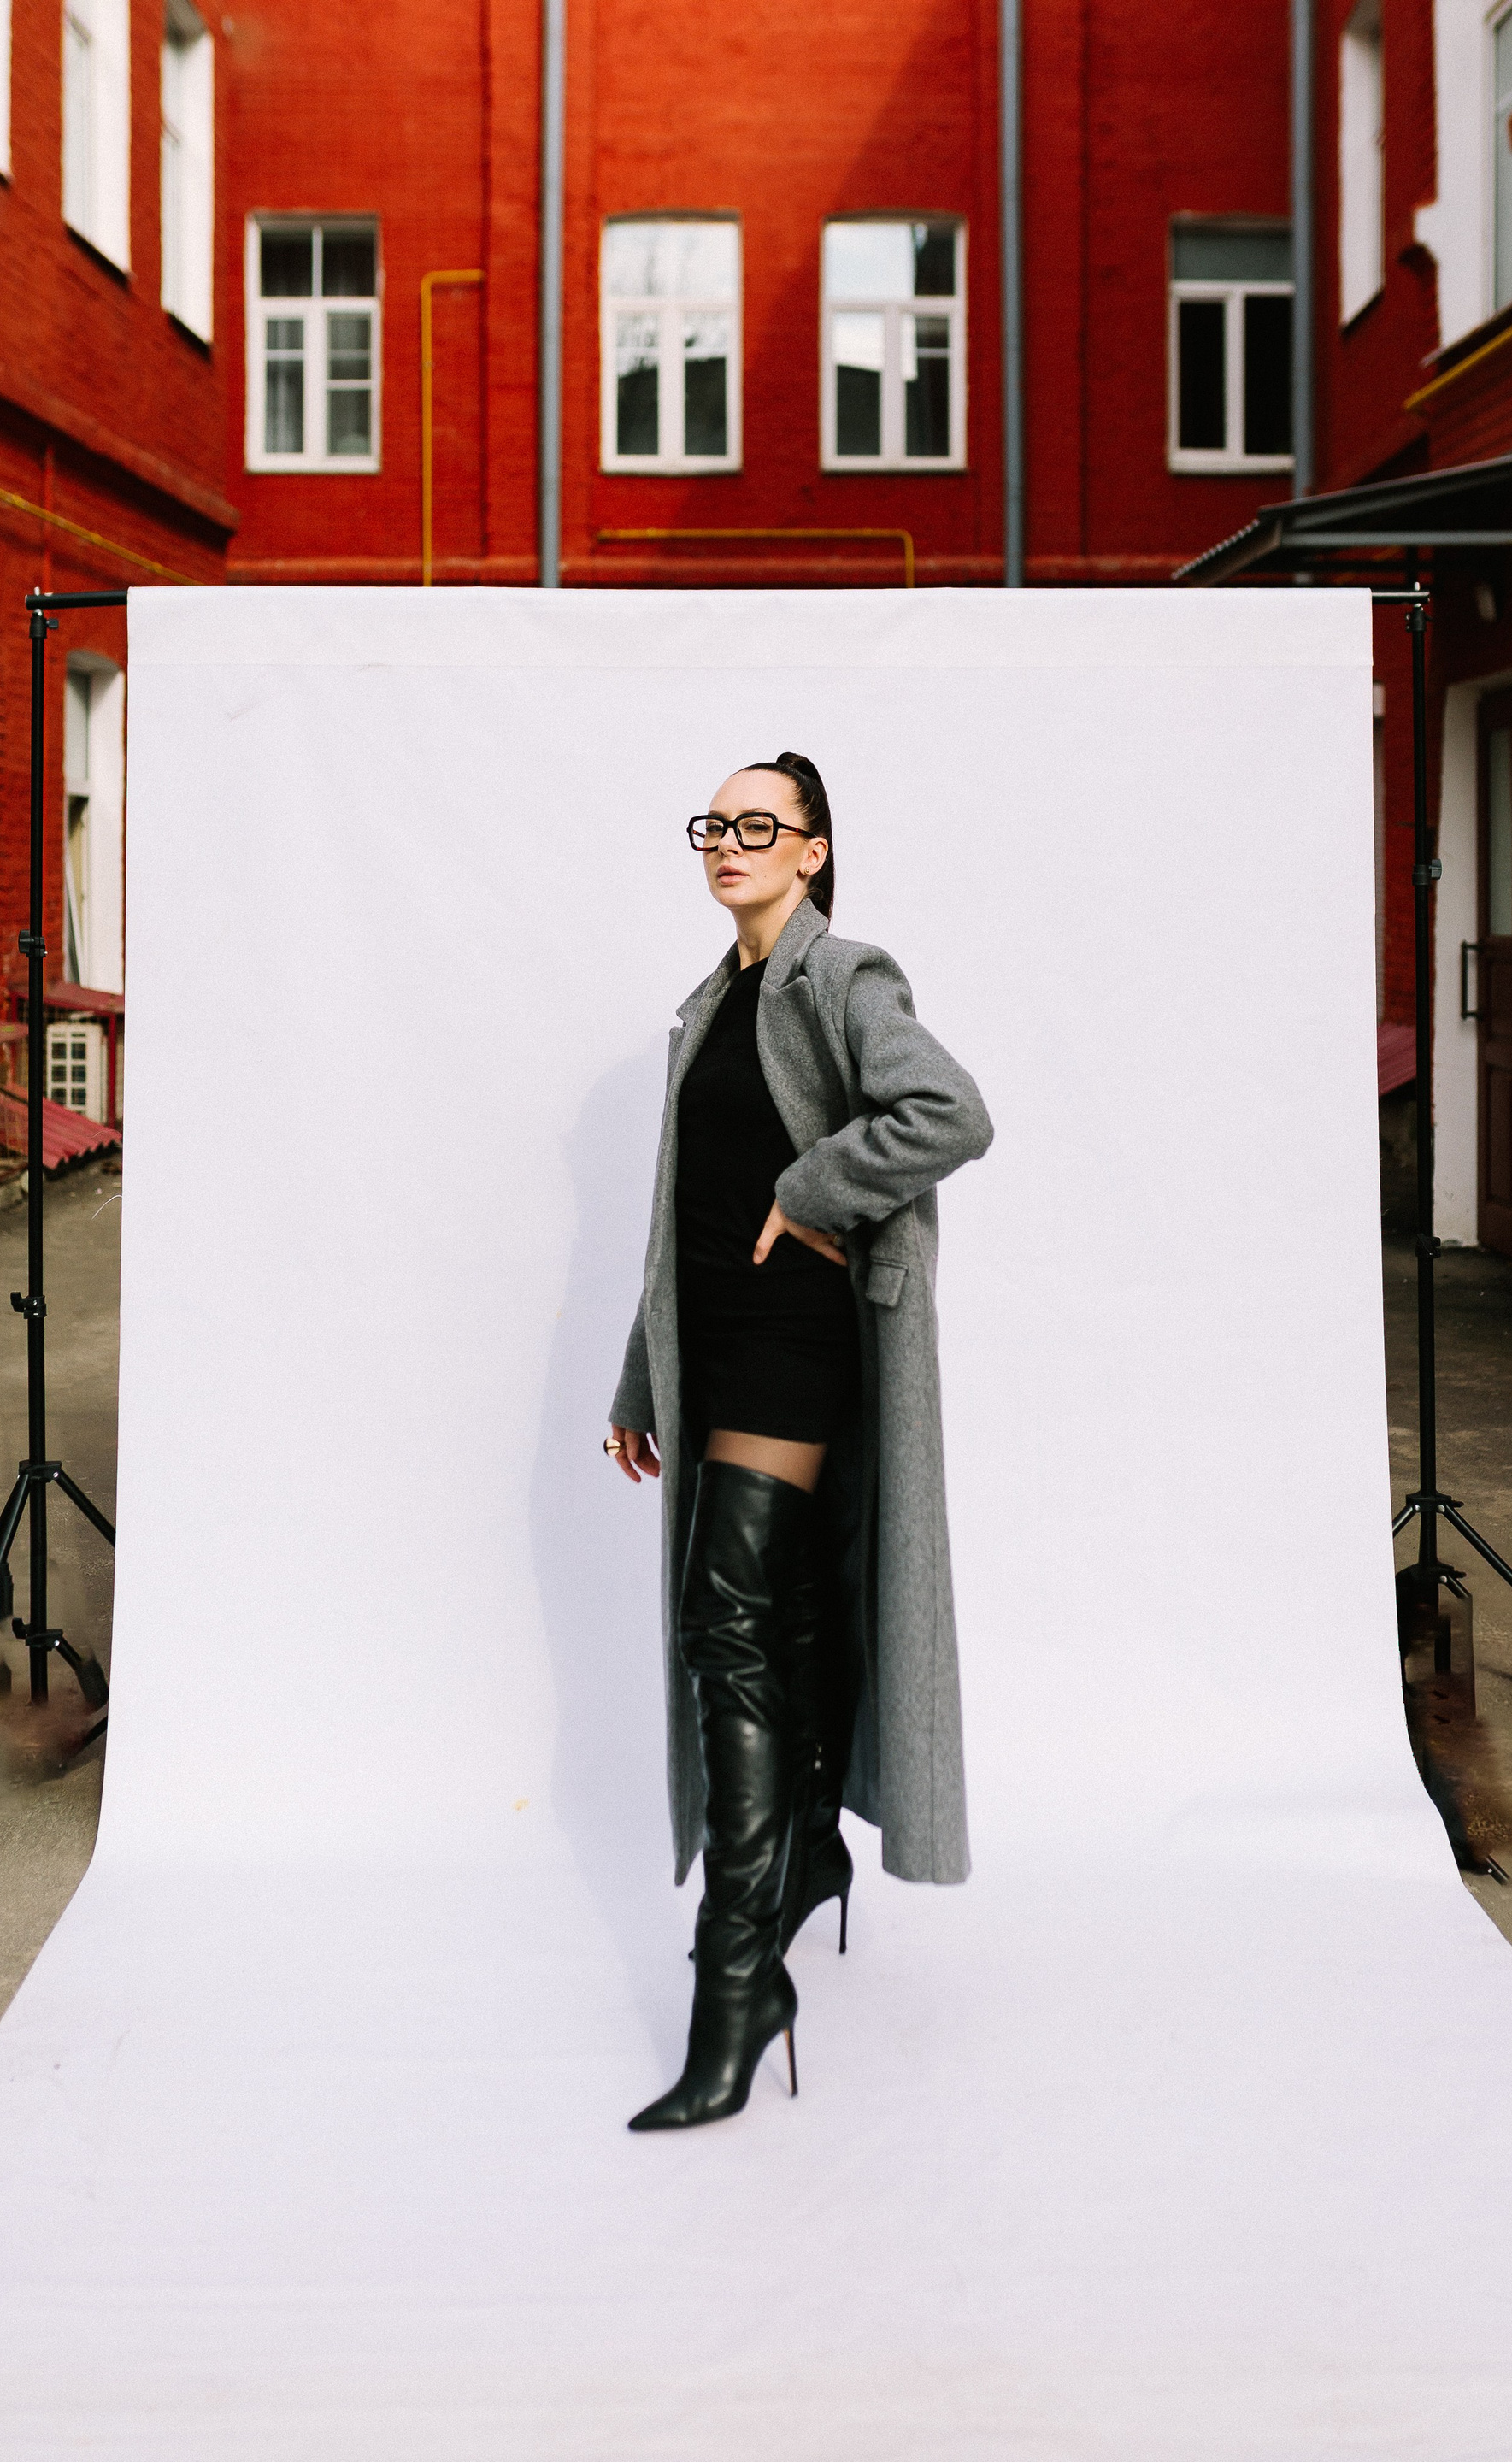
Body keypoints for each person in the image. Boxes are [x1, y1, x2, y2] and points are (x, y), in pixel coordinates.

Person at [606, 751, 992, 2132]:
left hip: (794, 1343)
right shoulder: (712, 1001)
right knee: (781, 1617)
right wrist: (642, 1377)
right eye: (714, 825)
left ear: (812, 850)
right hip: (715, 1345)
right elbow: (689, 1212)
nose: (729, 843)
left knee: (722, 1624)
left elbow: (952, 1113)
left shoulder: (843, 977)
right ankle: (810, 1854)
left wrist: (817, 1184)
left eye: (758, 825)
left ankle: (736, 1988)